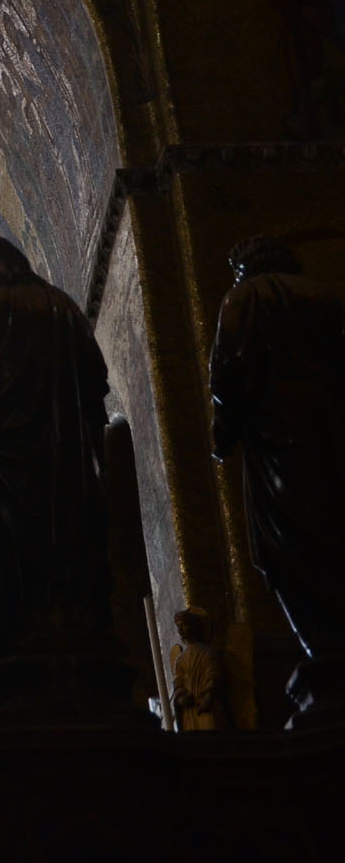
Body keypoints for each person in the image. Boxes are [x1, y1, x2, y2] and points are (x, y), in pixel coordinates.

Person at [0, 237, 115, 664]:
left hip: (7, 464)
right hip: (66, 460)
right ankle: (77, 631)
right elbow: (96, 378)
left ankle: (23, 643)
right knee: (70, 545)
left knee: (14, 561)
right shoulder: (59, 302)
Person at [210, 236, 345, 668]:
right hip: (333, 423)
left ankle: (321, 643)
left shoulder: (245, 297)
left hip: (279, 435)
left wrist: (222, 431)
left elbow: (227, 369)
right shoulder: (328, 296)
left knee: (291, 540)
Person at [169, 607, 227, 731]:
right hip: (189, 713)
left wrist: (208, 697)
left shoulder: (207, 652)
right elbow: (178, 684)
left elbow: (213, 676)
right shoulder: (180, 660)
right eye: (178, 626)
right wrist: (181, 699)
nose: (180, 630)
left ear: (194, 627)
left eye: (184, 625)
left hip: (207, 707)